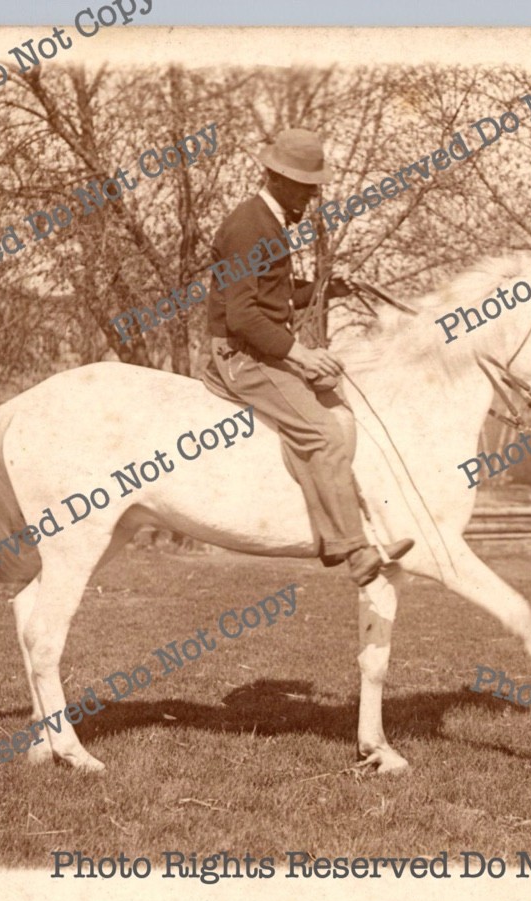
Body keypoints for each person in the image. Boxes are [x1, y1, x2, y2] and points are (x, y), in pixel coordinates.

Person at [200, 128, 412, 586]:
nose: (311, 196)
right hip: (239, 355)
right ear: (275, 178)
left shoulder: (269, 223)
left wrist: (328, 288)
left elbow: (274, 298)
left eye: (314, 186)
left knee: (338, 410)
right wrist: (301, 355)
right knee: (323, 434)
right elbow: (240, 316)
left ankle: (355, 527)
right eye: (302, 185)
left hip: (261, 346)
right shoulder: (248, 226)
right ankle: (352, 550)